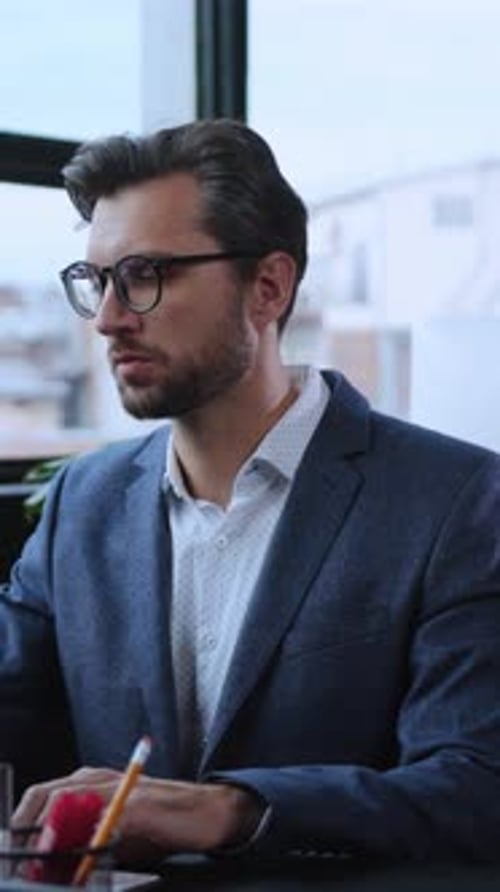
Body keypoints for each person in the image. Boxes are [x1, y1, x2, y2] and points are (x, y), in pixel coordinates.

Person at [2, 118, 500, 866]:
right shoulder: (85, 500)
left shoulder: (457, 500)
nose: (108, 318)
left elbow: (475, 787)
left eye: (144, 275)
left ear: (267, 287)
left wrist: (231, 811)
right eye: (97, 281)